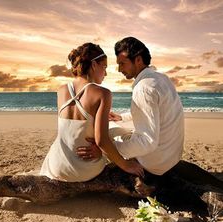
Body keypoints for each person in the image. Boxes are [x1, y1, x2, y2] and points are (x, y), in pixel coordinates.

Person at [77, 37, 184, 176]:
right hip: (171, 156)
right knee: (117, 123)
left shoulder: (144, 88)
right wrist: (122, 117)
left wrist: (106, 150)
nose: (120, 69)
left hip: (155, 163)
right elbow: (155, 114)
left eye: (122, 63)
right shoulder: (161, 78)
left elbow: (147, 142)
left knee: (110, 130)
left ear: (138, 60)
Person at [40, 42, 144, 182]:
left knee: (111, 127)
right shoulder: (103, 94)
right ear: (94, 65)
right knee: (120, 132)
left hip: (56, 166)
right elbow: (102, 141)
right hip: (82, 169)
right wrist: (126, 165)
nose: (106, 73)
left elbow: (70, 131)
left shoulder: (62, 90)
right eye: (104, 67)